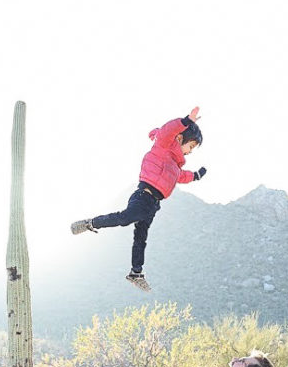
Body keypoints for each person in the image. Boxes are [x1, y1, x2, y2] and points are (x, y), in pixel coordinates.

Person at [70, 106, 206, 292]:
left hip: (153, 204)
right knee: (125, 218)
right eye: (191, 147)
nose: (190, 152)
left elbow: (181, 177)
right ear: (180, 138)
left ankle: (136, 273)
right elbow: (168, 130)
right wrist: (186, 121)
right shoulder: (164, 144)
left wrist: (196, 175)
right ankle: (91, 223)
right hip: (143, 195)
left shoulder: (175, 165)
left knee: (141, 238)